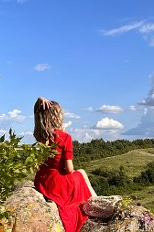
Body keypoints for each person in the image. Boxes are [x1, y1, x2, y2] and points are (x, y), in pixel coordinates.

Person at [33, 97, 97, 232]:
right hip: (56, 183)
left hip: (42, 180)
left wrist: (39, 102)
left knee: (80, 173)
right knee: (81, 173)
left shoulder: (40, 135)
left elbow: (36, 114)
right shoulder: (65, 137)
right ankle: (96, 202)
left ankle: (95, 201)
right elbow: (69, 169)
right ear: (57, 117)